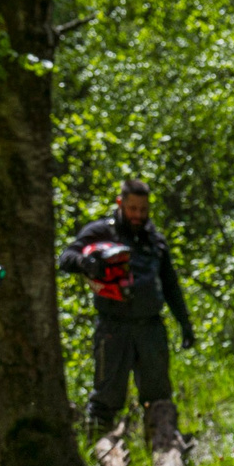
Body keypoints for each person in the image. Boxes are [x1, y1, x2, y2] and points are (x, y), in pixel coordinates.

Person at [58, 177, 194, 442]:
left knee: (158, 396)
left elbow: (170, 285)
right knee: (106, 397)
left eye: (143, 210)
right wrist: (86, 263)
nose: (138, 215)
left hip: (150, 328)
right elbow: (65, 258)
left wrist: (185, 323)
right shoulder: (102, 231)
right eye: (133, 209)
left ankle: (163, 448)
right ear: (120, 203)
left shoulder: (154, 240)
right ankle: (99, 449)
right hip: (113, 327)